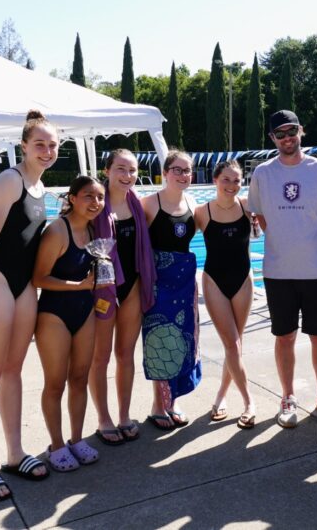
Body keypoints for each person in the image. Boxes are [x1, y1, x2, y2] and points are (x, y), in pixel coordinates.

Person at [0, 110, 57, 502]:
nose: (47, 151)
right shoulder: (9, 180)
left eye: (53, 145)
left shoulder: (40, 187)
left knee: (13, 371)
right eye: (40, 144)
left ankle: (15, 452)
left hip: (23, 288)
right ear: (23, 146)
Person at [248, 110, 317, 428]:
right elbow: (261, 217)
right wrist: (286, 240)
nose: (287, 138)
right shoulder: (263, 173)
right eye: (280, 134)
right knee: (284, 336)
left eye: (291, 131)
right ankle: (288, 397)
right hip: (279, 271)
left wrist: (311, 241)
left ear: (301, 131)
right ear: (272, 138)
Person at [32, 176, 106, 471]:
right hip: (54, 313)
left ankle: (77, 439)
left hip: (84, 310)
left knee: (79, 378)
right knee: (55, 383)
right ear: (72, 198)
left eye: (99, 197)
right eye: (88, 196)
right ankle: (56, 445)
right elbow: (39, 278)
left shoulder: (94, 230)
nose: (95, 202)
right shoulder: (57, 231)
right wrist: (80, 285)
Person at [89, 149, 156, 445]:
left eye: (132, 170)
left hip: (133, 286)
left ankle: (124, 415)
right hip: (103, 290)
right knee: (100, 357)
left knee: (125, 355)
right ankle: (103, 419)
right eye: (120, 169)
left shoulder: (136, 204)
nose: (127, 175)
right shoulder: (94, 204)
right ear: (107, 171)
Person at [141, 150, 201, 430]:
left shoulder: (192, 202)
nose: (183, 175)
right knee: (157, 341)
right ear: (165, 173)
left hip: (185, 283)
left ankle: (173, 400)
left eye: (187, 170)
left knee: (183, 340)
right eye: (177, 169)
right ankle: (158, 404)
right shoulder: (148, 204)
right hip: (158, 284)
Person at [195, 160, 256, 428]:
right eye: (226, 180)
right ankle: (249, 402)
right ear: (215, 180)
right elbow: (174, 235)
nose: (231, 185)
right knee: (232, 344)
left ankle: (220, 396)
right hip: (214, 281)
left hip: (243, 280)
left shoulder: (247, 206)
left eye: (236, 180)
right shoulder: (202, 212)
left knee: (235, 345)